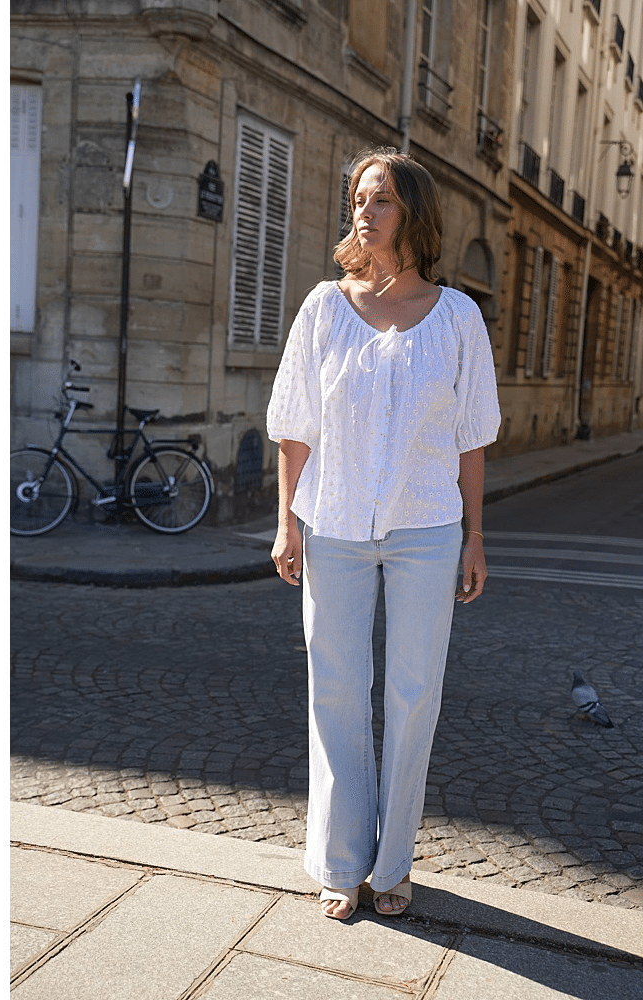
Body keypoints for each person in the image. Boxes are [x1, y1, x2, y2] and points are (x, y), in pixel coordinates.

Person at [266, 148, 500, 920]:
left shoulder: (459, 318)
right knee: (335, 689)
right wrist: (286, 522)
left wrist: (474, 535)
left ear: (414, 214)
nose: (365, 211)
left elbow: (471, 438)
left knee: (414, 693)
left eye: (383, 200)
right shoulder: (323, 308)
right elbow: (295, 424)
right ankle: (341, 863)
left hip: (427, 528)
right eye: (360, 198)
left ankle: (393, 865)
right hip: (332, 523)